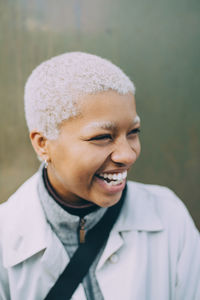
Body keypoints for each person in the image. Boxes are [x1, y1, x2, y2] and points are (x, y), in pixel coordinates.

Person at [0, 52, 199, 300]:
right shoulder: (4, 237)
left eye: (133, 132)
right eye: (102, 137)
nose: (128, 155)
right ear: (43, 144)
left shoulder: (169, 217)